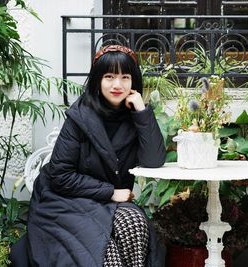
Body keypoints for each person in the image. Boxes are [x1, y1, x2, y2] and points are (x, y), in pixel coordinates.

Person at [9, 44, 166, 267]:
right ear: (97, 80)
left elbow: (153, 161)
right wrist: (110, 192)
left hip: (112, 203)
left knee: (134, 224)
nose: (117, 85)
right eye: (109, 76)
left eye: (125, 77)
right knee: (104, 251)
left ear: (134, 82)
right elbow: (60, 176)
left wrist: (142, 112)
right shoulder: (80, 117)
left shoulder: (135, 115)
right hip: (66, 201)